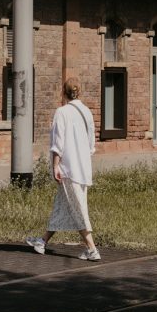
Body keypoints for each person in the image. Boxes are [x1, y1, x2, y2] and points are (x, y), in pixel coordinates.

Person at [25, 77, 101, 261]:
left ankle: (92, 249)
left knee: (78, 209)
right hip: (83, 169)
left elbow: (57, 143)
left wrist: (55, 165)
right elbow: (91, 145)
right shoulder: (87, 112)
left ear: (63, 92)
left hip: (69, 169)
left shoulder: (62, 112)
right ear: (79, 92)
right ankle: (42, 241)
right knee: (61, 207)